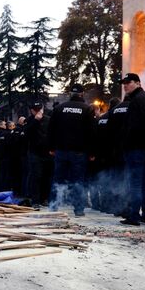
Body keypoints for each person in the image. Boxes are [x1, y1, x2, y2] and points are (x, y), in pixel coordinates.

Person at [47, 83, 96, 216]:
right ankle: (78, 209)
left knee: (58, 179)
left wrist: (51, 147)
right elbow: (91, 132)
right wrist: (92, 152)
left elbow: (51, 129)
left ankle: (53, 206)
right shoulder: (87, 109)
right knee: (78, 181)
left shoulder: (59, 108)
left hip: (61, 151)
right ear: (82, 94)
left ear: (70, 94)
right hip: (79, 152)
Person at [119, 73, 145, 226]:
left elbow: (134, 126)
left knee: (135, 182)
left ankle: (134, 215)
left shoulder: (138, 100)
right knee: (144, 182)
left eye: (128, 83)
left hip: (137, 148)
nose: (125, 86)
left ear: (137, 83)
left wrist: (125, 144)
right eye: (124, 83)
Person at [26, 102, 52, 207]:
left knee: (47, 177)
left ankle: (44, 198)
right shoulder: (29, 120)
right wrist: (35, 121)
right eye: (35, 110)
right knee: (36, 176)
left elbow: (52, 134)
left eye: (39, 109)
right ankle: (35, 200)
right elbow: (26, 133)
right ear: (31, 110)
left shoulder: (48, 119)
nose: (37, 112)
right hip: (35, 152)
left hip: (47, 152)